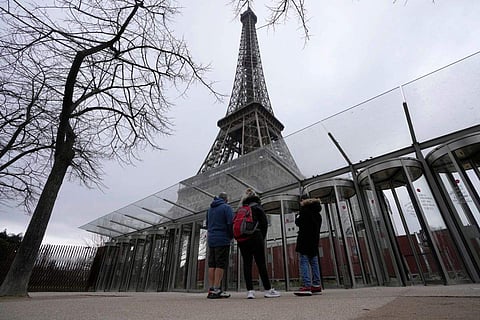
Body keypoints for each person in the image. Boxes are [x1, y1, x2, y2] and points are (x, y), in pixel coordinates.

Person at [237, 188, 280, 299]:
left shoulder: (242, 208)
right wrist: (262, 237)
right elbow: (264, 224)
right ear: (255, 196)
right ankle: (267, 290)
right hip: (256, 237)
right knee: (261, 263)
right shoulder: (257, 207)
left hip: (242, 240)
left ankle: (250, 291)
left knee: (247, 264)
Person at [294, 193, 323, 296]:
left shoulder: (304, 211)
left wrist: (297, 216)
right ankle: (316, 285)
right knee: (314, 262)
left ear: (303, 201)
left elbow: (298, 222)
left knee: (304, 262)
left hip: (304, 240)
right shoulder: (318, 213)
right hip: (314, 240)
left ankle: (307, 285)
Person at [206, 192, 234, 299]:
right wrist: (231, 236)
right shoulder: (226, 208)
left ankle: (211, 289)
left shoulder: (209, 209)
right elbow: (230, 223)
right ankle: (217, 289)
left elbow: (208, 225)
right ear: (226, 199)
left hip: (211, 239)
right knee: (220, 264)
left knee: (212, 264)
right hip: (222, 239)